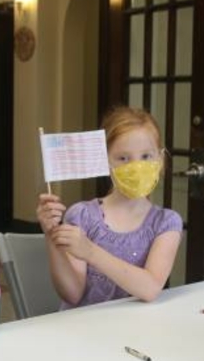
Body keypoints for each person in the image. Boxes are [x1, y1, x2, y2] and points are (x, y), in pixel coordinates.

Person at [36, 106, 183, 308]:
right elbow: (72, 294)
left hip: (135, 326)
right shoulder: (82, 215)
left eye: (146, 156)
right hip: (83, 324)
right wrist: (51, 236)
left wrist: (90, 251)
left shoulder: (166, 223)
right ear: (105, 161)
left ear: (160, 159)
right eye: (123, 158)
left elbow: (150, 288)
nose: (136, 166)